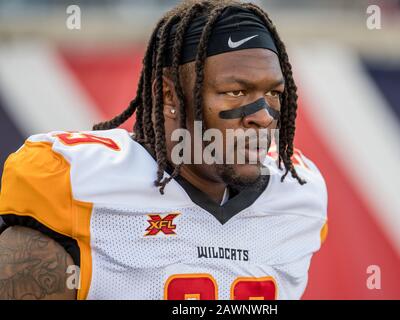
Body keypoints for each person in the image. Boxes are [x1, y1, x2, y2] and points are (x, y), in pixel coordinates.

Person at [0, 0, 327, 300]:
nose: (261, 115)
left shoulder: (299, 195)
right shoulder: (78, 182)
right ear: (170, 95)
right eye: (235, 91)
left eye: (273, 92)